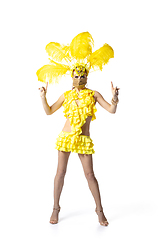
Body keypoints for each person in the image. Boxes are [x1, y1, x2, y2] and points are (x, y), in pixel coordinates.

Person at [37, 32, 119, 226]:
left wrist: (115, 99)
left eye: (83, 74)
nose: (80, 77)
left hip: (83, 139)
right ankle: (55, 208)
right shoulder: (66, 95)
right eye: (77, 74)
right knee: (60, 173)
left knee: (90, 175)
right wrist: (43, 97)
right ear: (72, 75)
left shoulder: (93, 94)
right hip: (65, 138)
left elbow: (111, 110)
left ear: (87, 75)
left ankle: (100, 211)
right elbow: (49, 112)